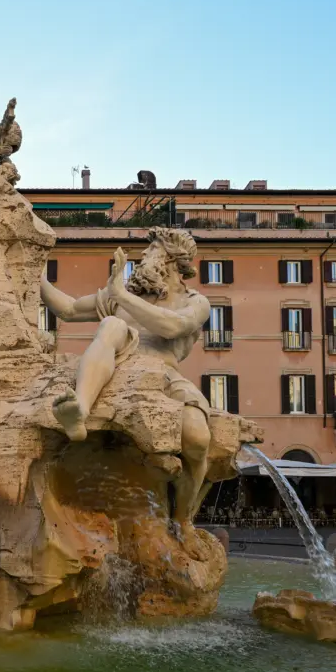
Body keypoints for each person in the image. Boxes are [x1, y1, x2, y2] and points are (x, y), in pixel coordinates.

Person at [40, 227, 213, 549]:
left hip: (163, 373)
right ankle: (79, 410)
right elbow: (68, 308)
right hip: (117, 364)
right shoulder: (120, 295)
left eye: (150, 251)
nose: (142, 257)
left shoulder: (195, 301)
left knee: (198, 439)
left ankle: (183, 519)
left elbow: (172, 326)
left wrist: (121, 295)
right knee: (112, 324)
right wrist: (34, 271)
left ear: (171, 259)